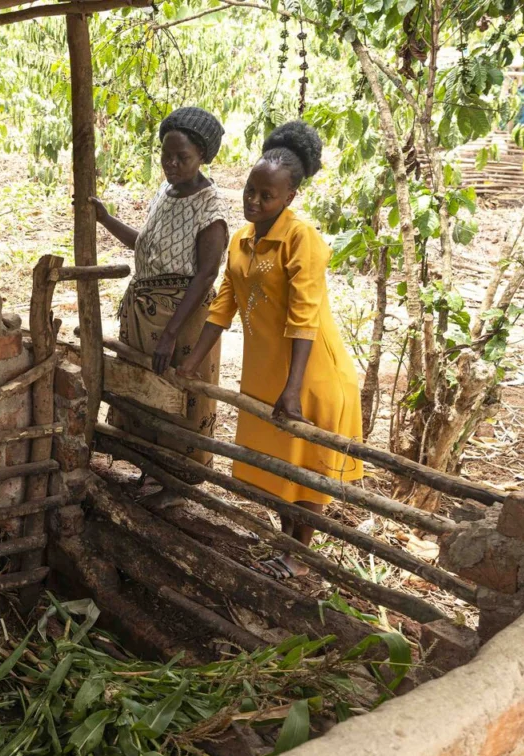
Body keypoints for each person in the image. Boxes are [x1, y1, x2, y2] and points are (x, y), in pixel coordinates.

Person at [176, 121, 363, 578]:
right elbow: (223, 306)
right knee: (281, 469)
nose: (254, 202)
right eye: (250, 191)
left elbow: (305, 317)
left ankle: (296, 556)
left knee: (305, 474)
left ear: (290, 198)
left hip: (310, 374)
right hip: (267, 374)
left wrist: (293, 388)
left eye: (267, 196)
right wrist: (190, 364)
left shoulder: (303, 240)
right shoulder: (241, 239)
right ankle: (286, 547)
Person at [90, 106, 230, 466]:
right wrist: (106, 220)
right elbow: (146, 245)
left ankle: (180, 478)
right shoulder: (165, 192)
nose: (171, 164)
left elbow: (206, 274)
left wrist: (170, 333)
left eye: (181, 157)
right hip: (145, 313)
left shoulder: (210, 205)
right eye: (166, 156)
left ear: (202, 156)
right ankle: (147, 469)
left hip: (182, 319)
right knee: (142, 391)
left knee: (179, 397)